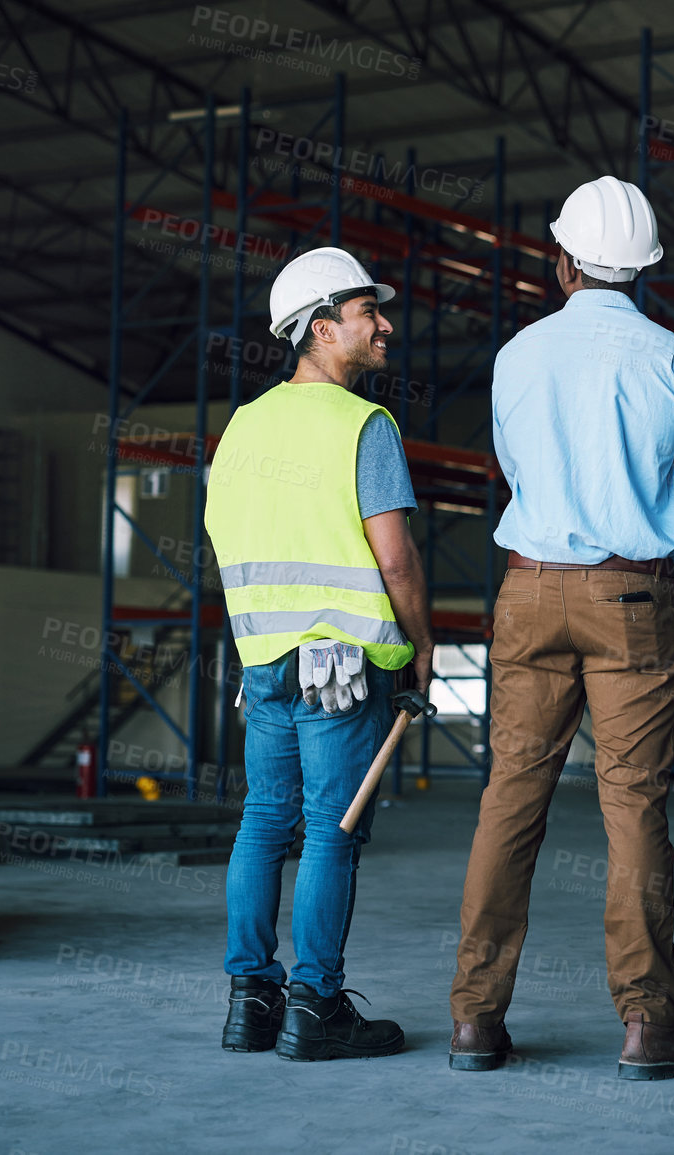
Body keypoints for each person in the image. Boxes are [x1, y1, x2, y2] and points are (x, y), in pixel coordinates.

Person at [449, 176, 674, 1080]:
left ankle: (475, 1021)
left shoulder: (517, 357)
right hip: (630, 599)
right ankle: (648, 1025)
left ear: (561, 259)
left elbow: (515, 467)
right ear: (642, 269)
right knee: (632, 806)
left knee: (510, 797)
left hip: (528, 592)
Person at [204, 246, 435, 1061]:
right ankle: (316, 1008)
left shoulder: (243, 426)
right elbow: (396, 559)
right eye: (369, 312)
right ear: (320, 326)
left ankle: (250, 1003)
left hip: (261, 662)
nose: (385, 325)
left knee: (264, 821)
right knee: (332, 832)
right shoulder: (361, 424)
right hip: (342, 668)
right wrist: (419, 643)